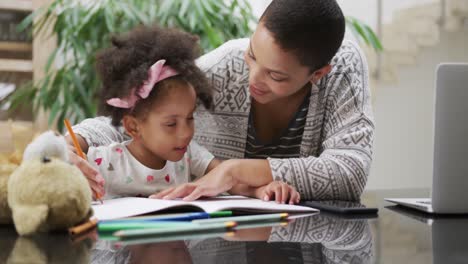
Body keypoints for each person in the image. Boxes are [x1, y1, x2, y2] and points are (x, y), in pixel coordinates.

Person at [69, 0, 374, 202]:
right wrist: (72, 144)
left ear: (318, 73)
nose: (253, 77)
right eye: (252, 55)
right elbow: (136, 115)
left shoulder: (343, 68)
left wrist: (233, 171)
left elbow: (350, 171)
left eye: (276, 76)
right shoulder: (225, 67)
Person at [69, 25, 300, 203]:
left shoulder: (190, 156)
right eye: (171, 124)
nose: (186, 133)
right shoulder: (102, 162)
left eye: (190, 118)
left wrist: (263, 190)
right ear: (133, 127)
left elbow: (230, 180)